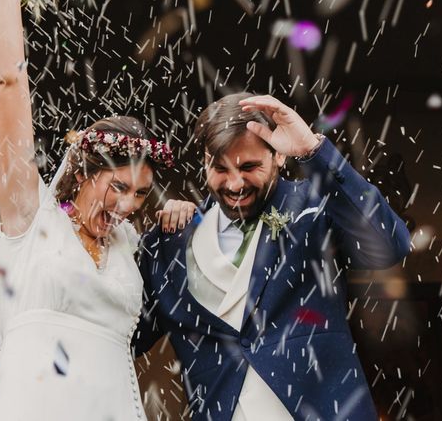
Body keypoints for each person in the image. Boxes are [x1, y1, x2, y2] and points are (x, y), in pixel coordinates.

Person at [0, 0, 194, 420]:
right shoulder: (30, 217)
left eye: (141, 195)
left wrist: (181, 222)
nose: (127, 206)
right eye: (118, 187)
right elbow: (9, 81)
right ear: (85, 172)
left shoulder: (131, 246)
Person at [131, 92, 413, 420]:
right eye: (220, 168)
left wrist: (312, 151)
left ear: (278, 156)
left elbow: (389, 246)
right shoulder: (171, 242)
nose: (235, 184)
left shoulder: (315, 206)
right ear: (204, 161)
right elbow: (125, 333)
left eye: (249, 167)